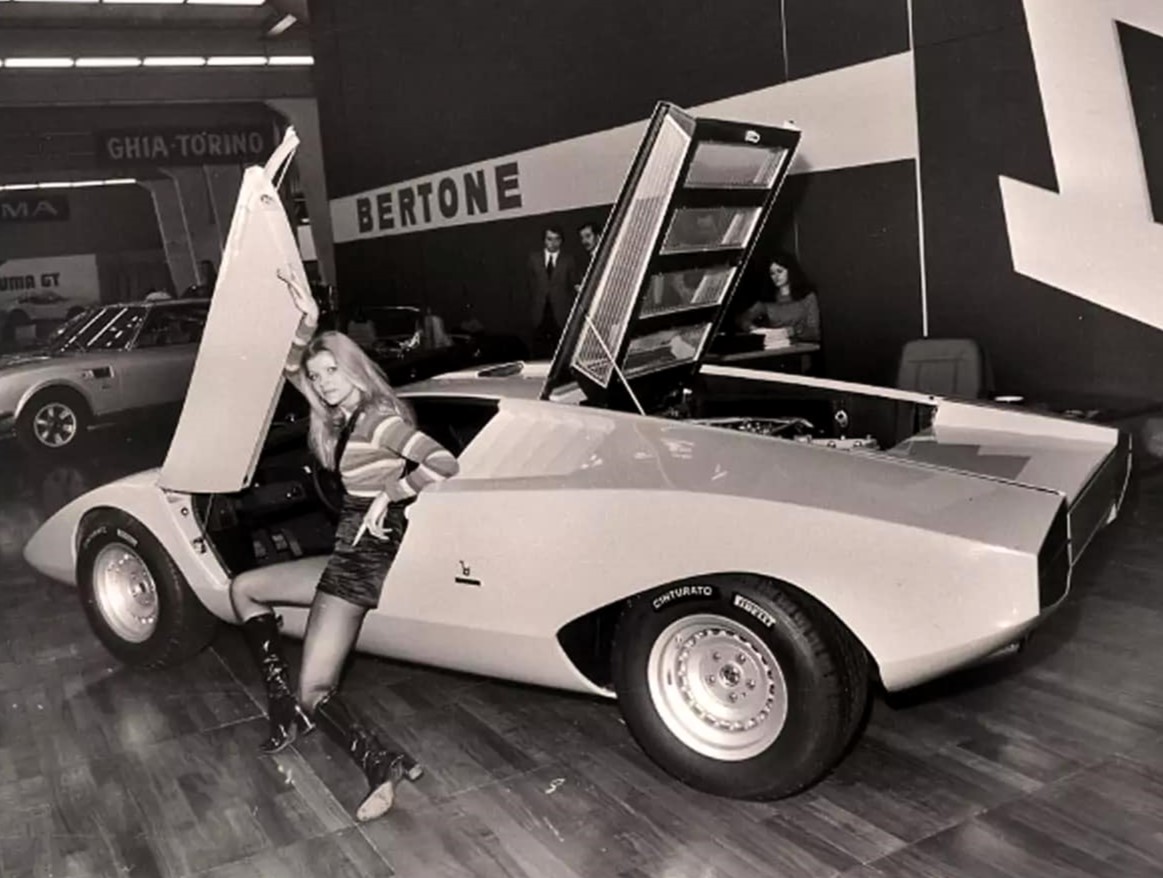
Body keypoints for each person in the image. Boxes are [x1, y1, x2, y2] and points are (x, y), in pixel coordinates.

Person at [228, 269, 460, 822]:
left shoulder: (376, 419)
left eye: (333, 371)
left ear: (354, 368)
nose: (324, 382)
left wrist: (391, 494)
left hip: (363, 557)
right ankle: (283, 708)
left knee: (317, 688)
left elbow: (443, 462)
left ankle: (381, 764)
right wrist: (306, 323)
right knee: (245, 589)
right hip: (346, 549)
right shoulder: (340, 415)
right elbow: (290, 368)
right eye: (319, 375)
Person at [736, 253, 821, 343]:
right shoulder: (768, 299)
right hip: (777, 345)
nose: (776, 276)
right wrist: (754, 329)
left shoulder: (807, 296)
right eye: (772, 273)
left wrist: (791, 331)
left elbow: (814, 332)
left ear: (790, 271)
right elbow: (742, 319)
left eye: (780, 271)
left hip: (803, 346)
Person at [526, 225, 580, 359]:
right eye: (549, 239)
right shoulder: (533, 258)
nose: (553, 243)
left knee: (562, 352)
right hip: (539, 313)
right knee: (539, 352)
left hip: (561, 313)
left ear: (561, 241)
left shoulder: (569, 259)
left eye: (556, 239)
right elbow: (529, 285)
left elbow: (574, 284)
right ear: (544, 240)